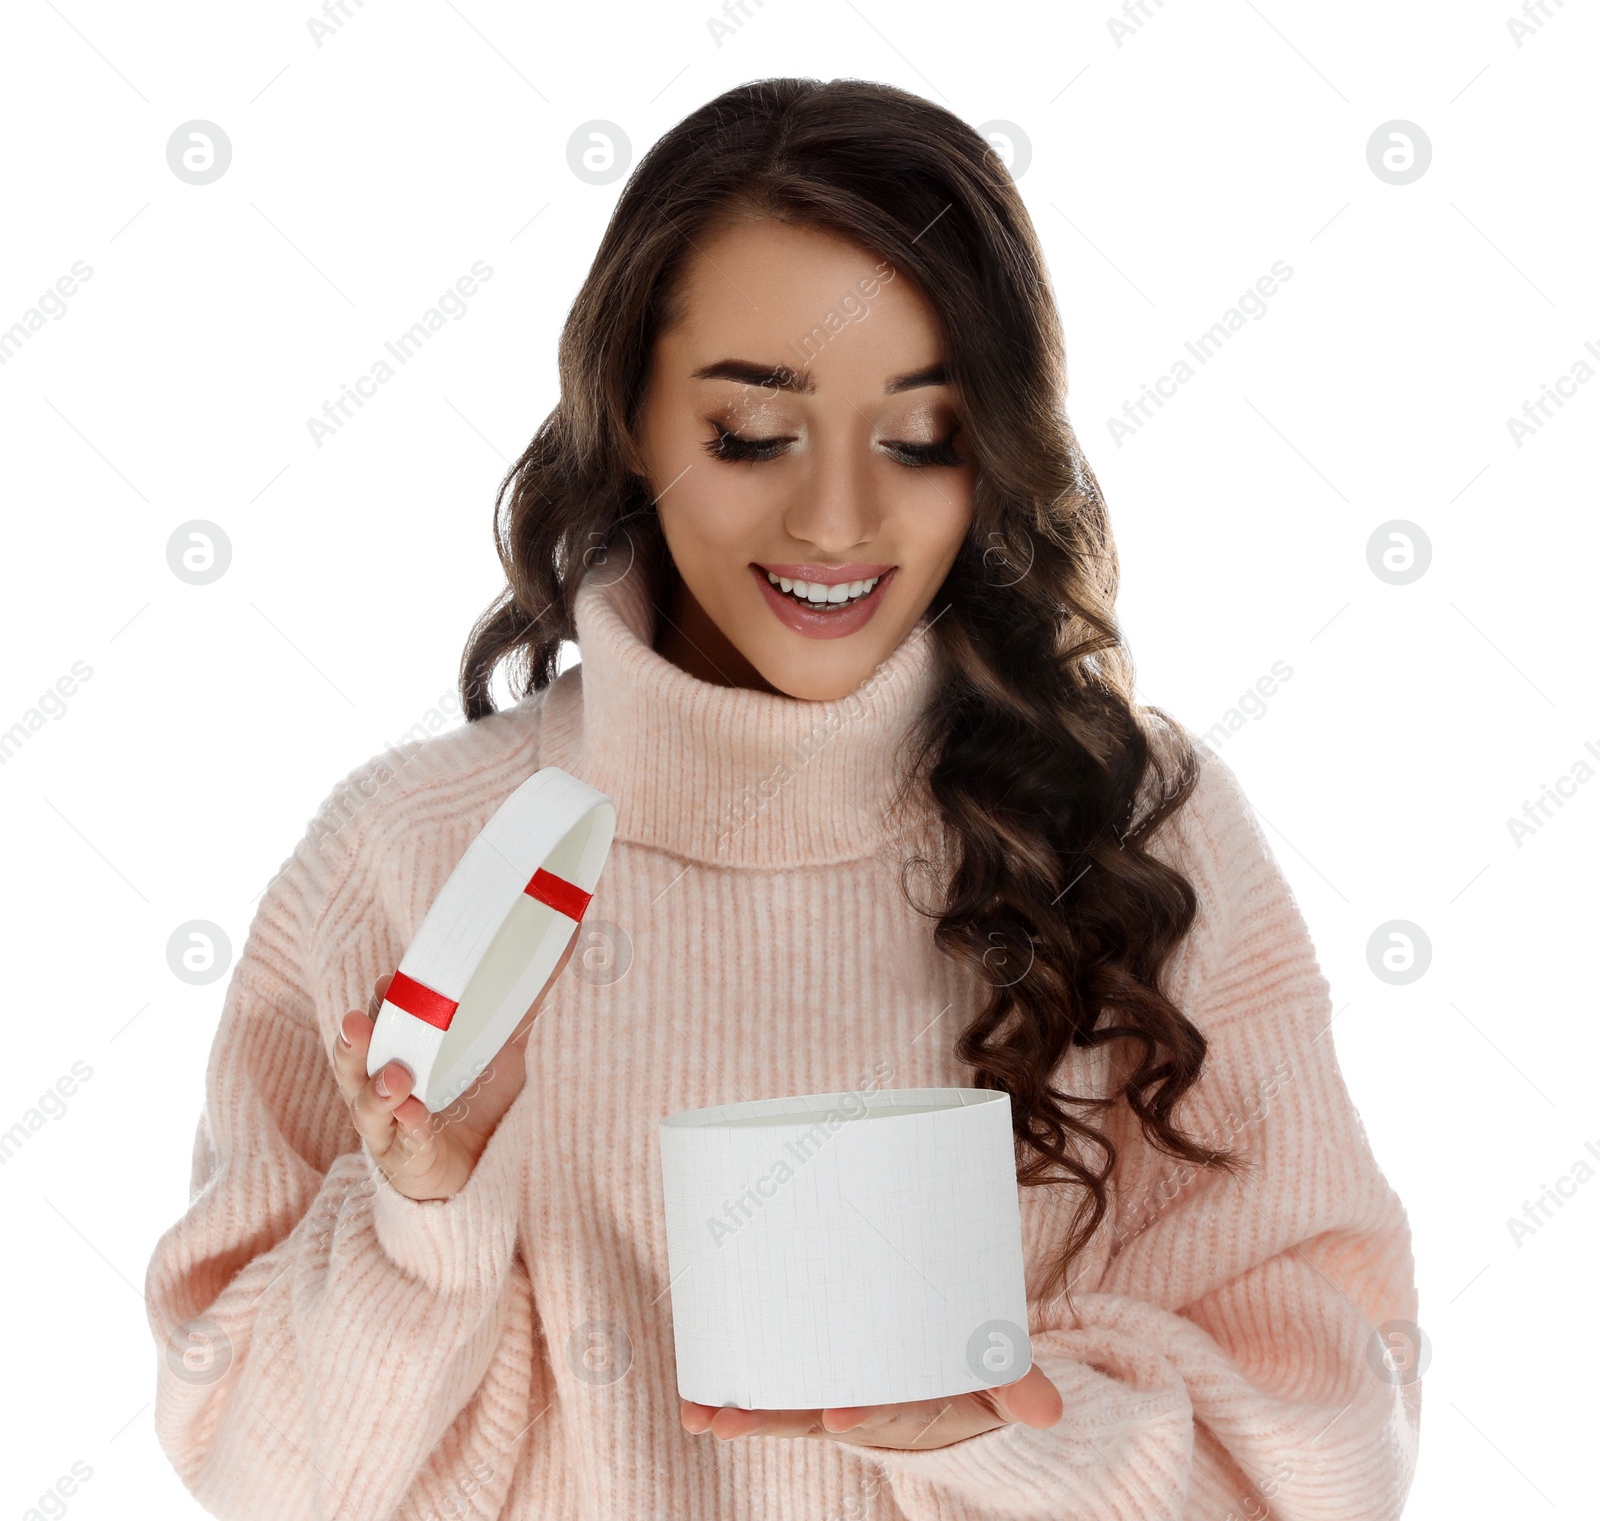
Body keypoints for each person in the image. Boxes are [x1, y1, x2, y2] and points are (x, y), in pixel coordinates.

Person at [145, 77, 1421, 1520]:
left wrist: (987, 1424)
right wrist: (424, 1219)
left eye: (921, 438)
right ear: (627, 413)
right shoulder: (413, 857)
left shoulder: (1130, 833)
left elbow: (1327, 1450)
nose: (835, 521)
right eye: (754, 432)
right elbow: (258, 1470)